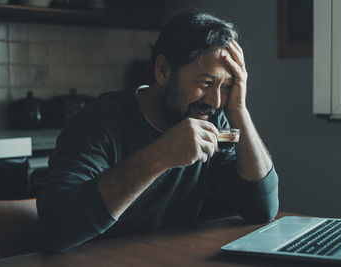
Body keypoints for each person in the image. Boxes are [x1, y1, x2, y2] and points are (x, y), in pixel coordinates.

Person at [36, 10, 279, 252]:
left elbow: (262, 209)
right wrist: (159, 156)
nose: (216, 101)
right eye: (206, 83)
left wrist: (239, 110)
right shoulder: (100, 119)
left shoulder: (212, 118)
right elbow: (55, 227)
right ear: (163, 70)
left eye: (225, 86)